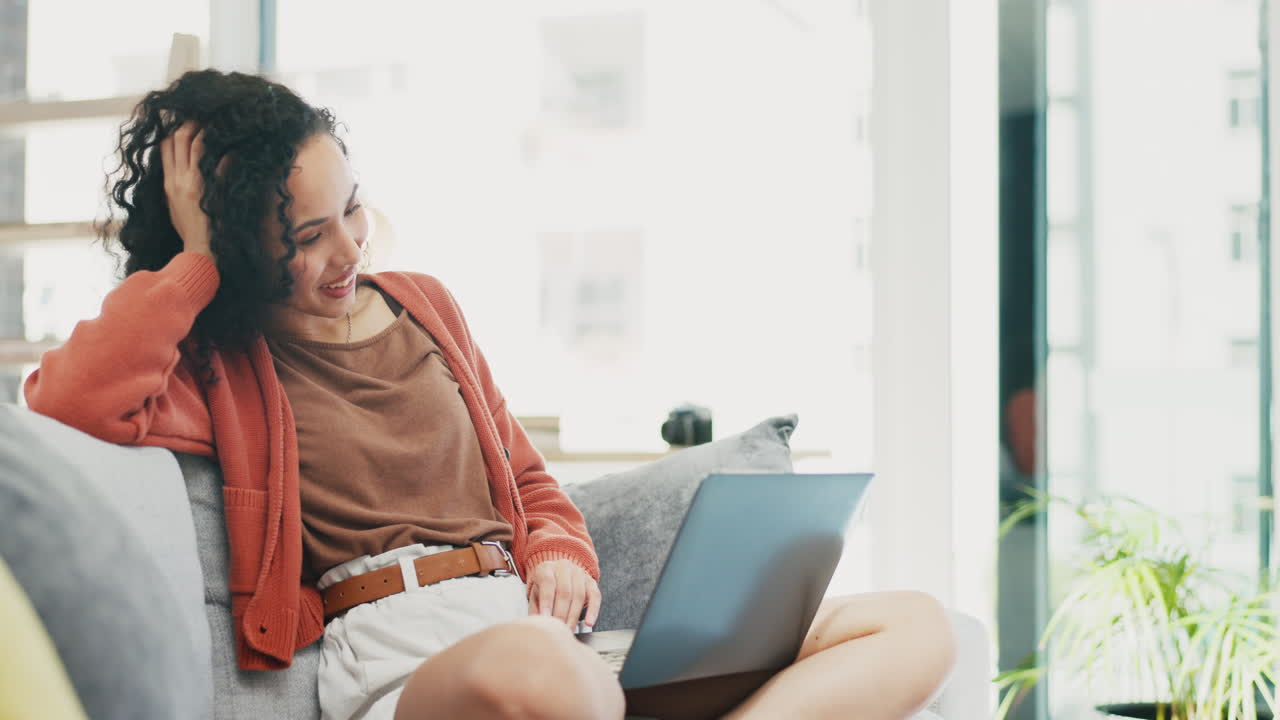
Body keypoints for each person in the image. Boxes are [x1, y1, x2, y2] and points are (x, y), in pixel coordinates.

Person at [25, 69, 956, 720]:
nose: (349, 249)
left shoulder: (428, 306)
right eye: (306, 237)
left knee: (914, 627)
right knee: (544, 676)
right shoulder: (222, 362)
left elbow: (530, 483)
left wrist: (559, 551)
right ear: (242, 249)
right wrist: (193, 262)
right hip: (408, 659)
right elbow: (70, 400)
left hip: (536, 635)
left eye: (351, 207)